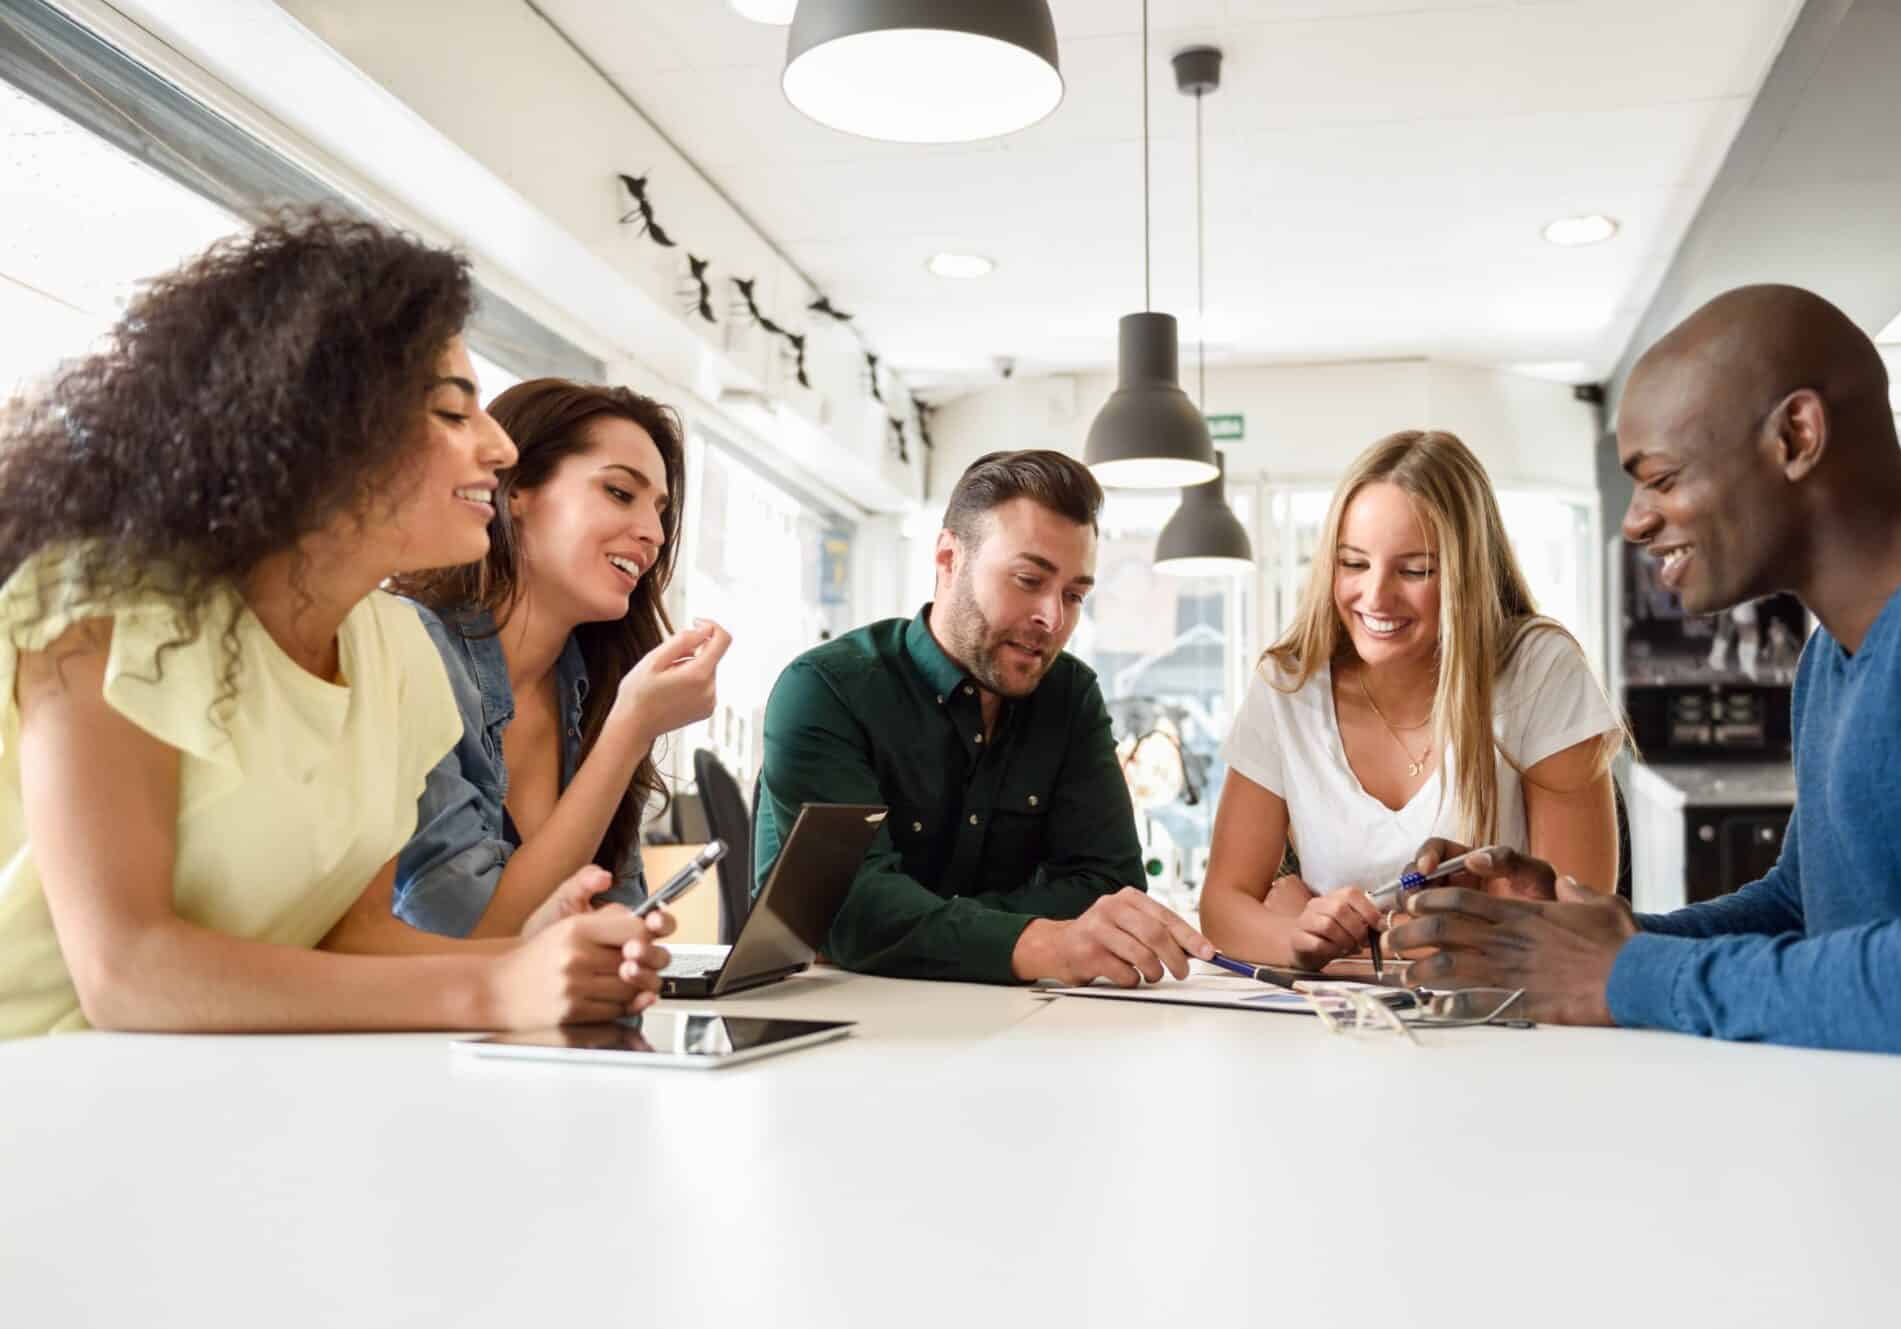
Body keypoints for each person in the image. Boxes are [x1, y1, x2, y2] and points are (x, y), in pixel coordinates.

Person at [0, 212, 671, 1038]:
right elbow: (128, 971)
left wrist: (549, 956)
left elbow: (351, 937)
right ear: (322, 425)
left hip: (214, 1099)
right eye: (454, 413)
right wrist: (498, 987)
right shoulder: (103, 608)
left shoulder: (396, 654)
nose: (498, 447)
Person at [1389, 284, 1901, 1076]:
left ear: (1796, 436)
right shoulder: (1829, 662)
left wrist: (1627, 974)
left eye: (1662, 479)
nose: (1634, 520)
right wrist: (1574, 938)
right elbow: (1801, 912)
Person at [755, 449, 1212, 986]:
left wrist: (922, 923)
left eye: (1074, 594)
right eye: (1027, 580)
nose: (1053, 617)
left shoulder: (1071, 697)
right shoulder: (827, 690)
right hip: (836, 1019)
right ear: (949, 558)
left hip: (1012, 1022)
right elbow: (850, 910)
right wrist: (1042, 941)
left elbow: (1107, 884)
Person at [1200, 431, 1623, 968]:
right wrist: (1297, 936)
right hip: (1333, 1029)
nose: (1375, 597)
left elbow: (1577, 922)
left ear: (1468, 573)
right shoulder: (1288, 684)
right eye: (1353, 564)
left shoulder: (1538, 668)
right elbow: (1221, 907)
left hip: (1500, 1033)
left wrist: (1354, 933)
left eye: (1415, 570)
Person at [390, 379, 728, 939]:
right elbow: (468, 934)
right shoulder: (412, 648)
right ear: (516, 489)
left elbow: (607, 912)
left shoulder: (596, 683)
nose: (654, 533)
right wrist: (631, 728)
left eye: (660, 510)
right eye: (620, 493)